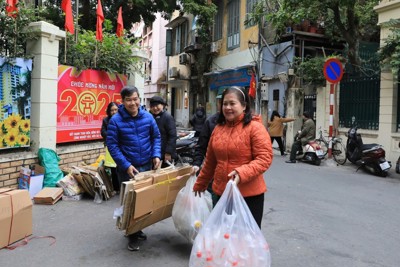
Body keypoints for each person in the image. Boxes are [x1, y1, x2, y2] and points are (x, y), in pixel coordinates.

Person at [192, 86, 273, 229]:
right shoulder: (218, 129)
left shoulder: (255, 128)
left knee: (245, 241)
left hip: (249, 196)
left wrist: (242, 173)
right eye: (224, 104)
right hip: (221, 193)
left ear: (244, 106)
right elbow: (211, 161)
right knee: (223, 236)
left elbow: (264, 158)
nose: (228, 107)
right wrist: (201, 182)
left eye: (232, 103)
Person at [107, 86, 161, 252]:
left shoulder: (148, 117)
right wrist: (126, 165)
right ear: (123, 101)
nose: (133, 103)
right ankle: (132, 234)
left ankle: (137, 228)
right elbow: (112, 145)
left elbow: (156, 137)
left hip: (145, 165)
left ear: (140, 99)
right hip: (127, 168)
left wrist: (156, 155)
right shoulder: (115, 121)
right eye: (129, 100)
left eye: (135, 99)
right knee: (130, 202)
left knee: (143, 200)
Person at [149, 96, 177, 167]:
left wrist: (168, 152)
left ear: (162, 105)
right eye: (152, 106)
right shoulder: (150, 117)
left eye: (157, 105)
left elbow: (172, 136)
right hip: (154, 153)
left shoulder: (167, 117)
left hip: (165, 154)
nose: (155, 108)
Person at [100, 102, 120, 193]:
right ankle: (116, 188)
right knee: (113, 168)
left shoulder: (122, 119)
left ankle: (122, 185)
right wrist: (112, 136)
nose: (114, 112)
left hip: (121, 146)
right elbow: (103, 132)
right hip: (111, 146)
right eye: (112, 110)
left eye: (116, 110)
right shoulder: (106, 120)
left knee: (121, 167)